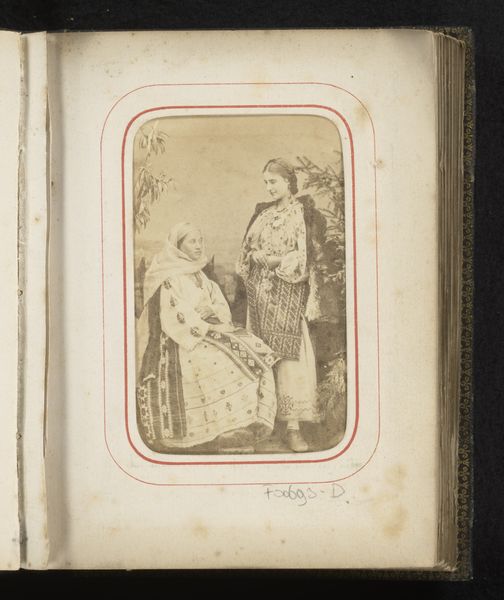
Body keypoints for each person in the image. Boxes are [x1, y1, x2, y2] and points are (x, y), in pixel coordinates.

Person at [136, 222, 277, 452]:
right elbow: (174, 315)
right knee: (218, 362)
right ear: (178, 246)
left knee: (256, 348)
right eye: (192, 241)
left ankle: (247, 423)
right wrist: (204, 325)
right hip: (181, 339)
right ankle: (220, 430)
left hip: (208, 330)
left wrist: (212, 312)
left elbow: (220, 306)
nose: (199, 246)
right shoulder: (168, 277)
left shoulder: (200, 274)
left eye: (200, 240)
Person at [236, 158, 325, 452]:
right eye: (265, 183)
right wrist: (256, 256)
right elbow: (247, 250)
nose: (269, 188)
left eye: (273, 182)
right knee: (260, 354)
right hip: (260, 294)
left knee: (290, 358)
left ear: (288, 182)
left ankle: (293, 427)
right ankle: (263, 422)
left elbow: (305, 256)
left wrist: (276, 261)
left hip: (288, 293)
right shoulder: (263, 215)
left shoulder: (301, 214)